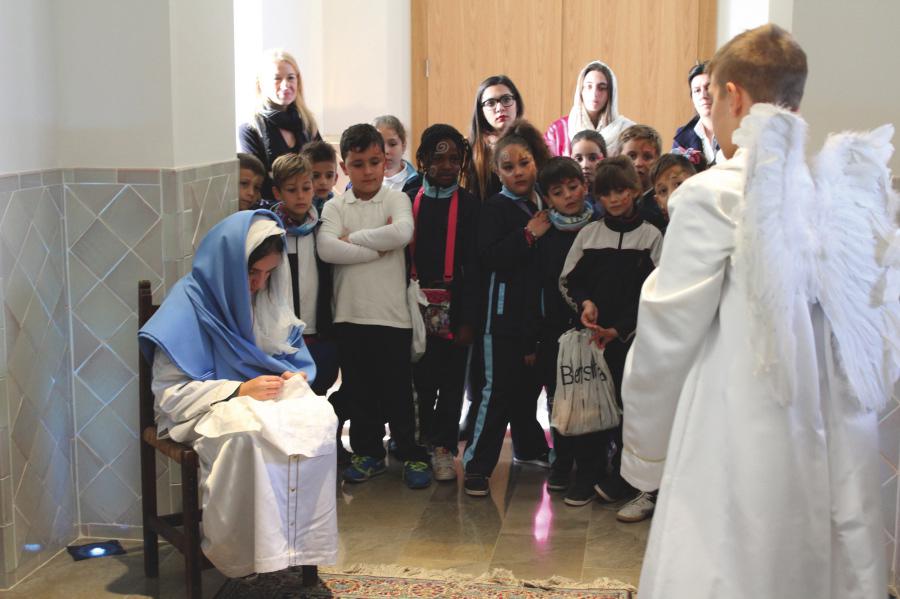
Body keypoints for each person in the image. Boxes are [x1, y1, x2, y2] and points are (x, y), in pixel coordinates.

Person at [621, 24, 898, 598]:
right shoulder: (833, 189)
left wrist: (645, 442)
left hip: (742, 411)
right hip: (828, 422)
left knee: (732, 551)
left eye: (715, 100)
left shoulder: (713, 193)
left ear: (734, 97)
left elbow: (667, 330)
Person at [138, 210, 338, 578]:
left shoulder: (265, 296)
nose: (259, 285)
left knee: (319, 418)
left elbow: (288, 358)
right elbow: (171, 395)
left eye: (268, 274)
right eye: (251, 273)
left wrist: (289, 376)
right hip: (205, 405)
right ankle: (244, 554)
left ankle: (296, 546)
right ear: (228, 266)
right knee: (246, 436)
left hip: (259, 396)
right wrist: (239, 389)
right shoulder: (187, 307)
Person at [317, 123, 432, 490]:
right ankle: (367, 453)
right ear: (344, 166)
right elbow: (327, 249)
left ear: (385, 162)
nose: (367, 171)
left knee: (399, 393)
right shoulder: (336, 205)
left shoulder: (395, 198)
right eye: (358, 163)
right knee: (360, 391)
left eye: (374, 162)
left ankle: (412, 452)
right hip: (350, 315)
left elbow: (401, 233)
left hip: (392, 317)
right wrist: (375, 248)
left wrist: (355, 240)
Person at [558, 156, 661, 507]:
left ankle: (624, 475)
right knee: (590, 408)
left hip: (631, 341)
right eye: (607, 194)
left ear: (634, 190)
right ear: (597, 197)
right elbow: (569, 280)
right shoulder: (590, 235)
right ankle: (587, 472)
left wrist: (622, 328)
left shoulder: (651, 236)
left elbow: (659, 290)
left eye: (621, 191)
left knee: (627, 408)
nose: (615, 199)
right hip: (592, 340)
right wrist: (585, 305)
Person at [462, 120, 552, 497]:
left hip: (535, 319)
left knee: (525, 391)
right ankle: (477, 466)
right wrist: (528, 235)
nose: (519, 172)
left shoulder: (544, 204)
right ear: (497, 171)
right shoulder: (495, 209)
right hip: (499, 322)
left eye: (525, 163)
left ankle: (530, 448)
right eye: (509, 166)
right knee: (494, 393)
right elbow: (489, 256)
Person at [407, 124, 480, 481]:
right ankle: (420, 441)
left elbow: (477, 266)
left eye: (455, 159)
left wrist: (468, 319)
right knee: (421, 378)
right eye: (439, 159)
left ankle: (444, 448)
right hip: (414, 303)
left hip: (456, 304)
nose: (448, 166)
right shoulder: (408, 196)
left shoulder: (468, 205)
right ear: (422, 160)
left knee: (452, 383)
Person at [531, 157, 599, 497]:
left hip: (593, 329)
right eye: (558, 192)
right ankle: (561, 461)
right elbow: (537, 288)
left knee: (591, 399)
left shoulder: (601, 225)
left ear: (585, 186)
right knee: (559, 400)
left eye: (573, 187)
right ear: (548, 199)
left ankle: (589, 468)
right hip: (554, 334)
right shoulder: (547, 236)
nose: (569, 196)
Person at [268, 153, 337, 396]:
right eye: (291, 189)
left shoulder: (322, 229)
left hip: (318, 330)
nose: (300, 196)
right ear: (277, 193)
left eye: (306, 188)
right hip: (282, 335)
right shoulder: (270, 231)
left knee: (320, 387)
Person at [239, 49, 322, 200]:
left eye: (291, 78)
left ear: (298, 81)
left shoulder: (308, 123)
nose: (285, 85)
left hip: (310, 208)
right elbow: (258, 181)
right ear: (261, 84)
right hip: (271, 211)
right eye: (277, 79)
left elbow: (322, 168)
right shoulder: (250, 128)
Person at [545, 61, 634, 158]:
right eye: (589, 86)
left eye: (602, 88)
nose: (595, 93)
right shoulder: (558, 130)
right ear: (580, 91)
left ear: (611, 93)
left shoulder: (627, 131)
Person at [463, 75, 525, 202]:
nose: (500, 108)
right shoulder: (470, 147)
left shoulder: (532, 142)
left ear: (517, 104)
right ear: (481, 111)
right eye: (490, 103)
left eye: (506, 100)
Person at [618, 124, 666, 232]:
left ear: (658, 161)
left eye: (647, 157)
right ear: (619, 158)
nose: (638, 163)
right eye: (631, 156)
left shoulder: (662, 207)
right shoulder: (610, 201)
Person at [672, 61, 719, 167]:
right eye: (697, 90)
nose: (703, 95)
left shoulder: (738, 132)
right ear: (692, 98)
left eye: (708, 88)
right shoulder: (682, 138)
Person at [649, 152, 700, 228]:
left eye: (679, 184)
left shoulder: (717, 220)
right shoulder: (666, 238)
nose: (672, 194)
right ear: (659, 202)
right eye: (663, 191)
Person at [374, 115, 421, 193]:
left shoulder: (421, 184)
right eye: (379, 144)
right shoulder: (359, 183)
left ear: (403, 146)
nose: (386, 151)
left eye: (392, 144)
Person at [570, 129, 609, 216]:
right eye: (579, 159)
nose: (585, 165)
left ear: (604, 159)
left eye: (593, 158)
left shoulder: (614, 191)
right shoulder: (567, 194)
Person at [300, 140, 339, 215]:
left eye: (329, 176)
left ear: (335, 179)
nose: (323, 182)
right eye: (315, 176)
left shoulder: (338, 207)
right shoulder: (298, 206)